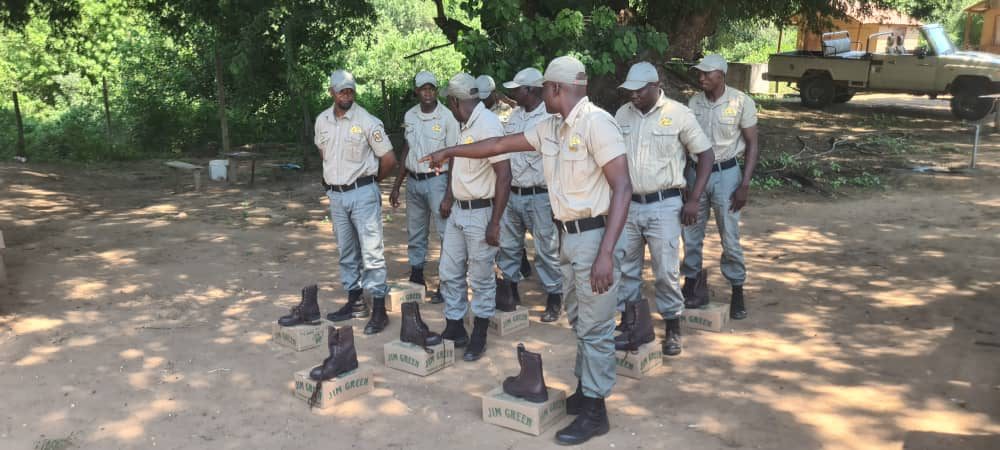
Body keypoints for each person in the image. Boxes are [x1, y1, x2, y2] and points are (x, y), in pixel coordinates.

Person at [422, 56, 632, 446]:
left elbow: (623, 187)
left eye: (542, 88)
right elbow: (499, 144)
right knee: (580, 321)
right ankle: (586, 392)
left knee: (598, 327)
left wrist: (606, 253)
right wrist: (450, 151)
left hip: (595, 237)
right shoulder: (550, 128)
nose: (534, 94)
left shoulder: (596, 124)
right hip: (569, 237)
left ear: (555, 89)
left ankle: (596, 412)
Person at [613, 62, 714, 356]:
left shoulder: (679, 114)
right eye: (630, 91)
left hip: (664, 204)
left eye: (639, 90)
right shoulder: (622, 115)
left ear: (655, 86)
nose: (633, 96)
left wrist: (694, 199)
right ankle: (631, 324)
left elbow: (706, 155)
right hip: (629, 205)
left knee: (665, 271)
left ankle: (672, 327)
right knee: (626, 268)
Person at [435, 72, 511, 362]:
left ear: (455, 101)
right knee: (449, 271)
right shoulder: (464, 123)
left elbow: (504, 175)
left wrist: (495, 222)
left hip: (481, 212)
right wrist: (449, 197)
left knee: (480, 277)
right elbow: (457, 160)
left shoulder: (488, 124)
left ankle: (479, 333)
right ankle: (455, 326)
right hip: (458, 211)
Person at [315, 70, 397, 335]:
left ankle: (379, 311)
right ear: (332, 93)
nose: (347, 95)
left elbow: (389, 160)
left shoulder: (367, 121)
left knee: (372, 252)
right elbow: (324, 155)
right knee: (346, 251)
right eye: (342, 91)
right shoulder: (322, 121)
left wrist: (370, 183)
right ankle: (355, 302)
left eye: (350, 91)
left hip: (363, 193)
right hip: (336, 196)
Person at [681, 54, 759, 320]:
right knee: (690, 232)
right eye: (699, 73)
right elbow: (684, 144)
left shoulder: (740, 102)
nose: (700, 78)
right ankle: (691, 282)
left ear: (721, 75)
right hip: (694, 174)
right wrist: (684, 181)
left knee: (730, 235)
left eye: (706, 73)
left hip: (727, 175)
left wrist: (745, 184)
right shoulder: (694, 103)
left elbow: (752, 144)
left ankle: (737, 288)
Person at [496, 67, 563, 322]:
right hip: (513, 193)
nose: (513, 93)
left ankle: (554, 296)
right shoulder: (514, 116)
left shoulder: (551, 118)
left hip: (540, 195)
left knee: (546, 249)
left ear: (532, 90)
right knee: (510, 247)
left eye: (518, 89)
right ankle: (510, 293)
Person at [389, 71, 460, 304]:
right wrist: (397, 184)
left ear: (436, 91)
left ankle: (446, 281)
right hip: (414, 182)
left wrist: (449, 195)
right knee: (415, 231)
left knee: (445, 233)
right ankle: (417, 276)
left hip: (438, 180)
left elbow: (455, 156)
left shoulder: (447, 117)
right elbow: (407, 148)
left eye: (431, 88)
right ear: (417, 91)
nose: (427, 93)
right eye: (423, 89)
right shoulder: (410, 115)